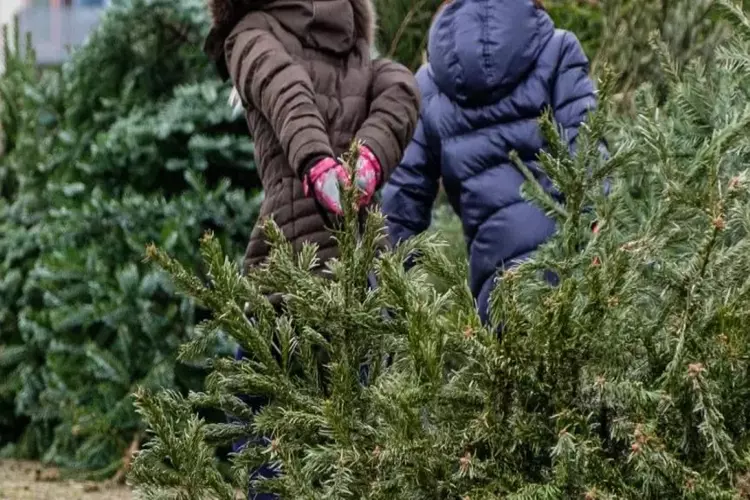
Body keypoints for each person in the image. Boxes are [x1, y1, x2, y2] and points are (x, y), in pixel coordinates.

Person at [203, 0, 420, 497]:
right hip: (357, 281)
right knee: (348, 447)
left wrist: (319, 165)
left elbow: (286, 91)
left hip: (285, 274)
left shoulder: (250, 32)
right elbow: (402, 89)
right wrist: (364, 164)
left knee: (263, 438)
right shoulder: (356, 50)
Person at [382, 0, 601, 324]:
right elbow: (587, 148)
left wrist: (381, 306)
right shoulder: (558, 50)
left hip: (498, 293)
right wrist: (599, 232)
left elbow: (400, 204)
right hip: (570, 270)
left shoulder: (429, 85)